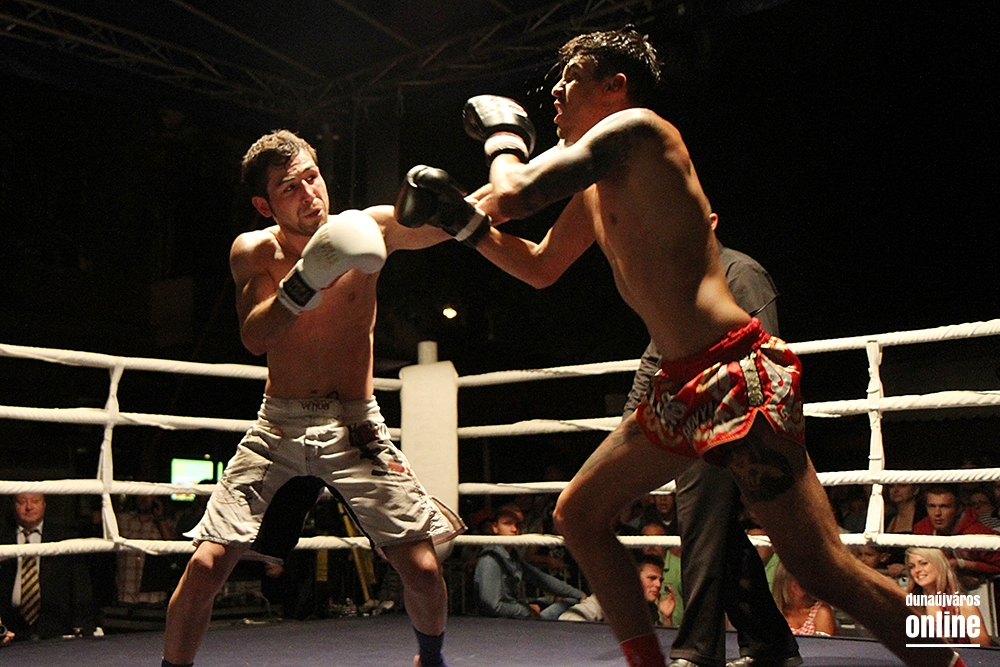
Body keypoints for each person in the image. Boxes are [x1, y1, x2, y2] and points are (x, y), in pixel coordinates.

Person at [408, 25, 965, 667]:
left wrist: (505, 139)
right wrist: (458, 221)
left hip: (733, 371)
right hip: (675, 391)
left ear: (615, 87)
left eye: (571, 79)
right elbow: (538, 264)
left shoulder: (640, 131)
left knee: (823, 567)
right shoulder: (593, 184)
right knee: (579, 515)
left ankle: (951, 657)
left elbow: (513, 191)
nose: (555, 92)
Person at [160, 130, 465, 667]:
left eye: (312, 177)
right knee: (206, 566)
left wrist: (491, 182)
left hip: (355, 423)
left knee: (421, 567)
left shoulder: (370, 228)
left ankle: (431, 661)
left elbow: (467, 222)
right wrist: (306, 281)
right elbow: (255, 336)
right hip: (279, 425)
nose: (309, 193)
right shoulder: (255, 251)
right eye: (289, 187)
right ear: (265, 205)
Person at [620, 228, 800, 667]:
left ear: (709, 222)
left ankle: (698, 651)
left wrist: (754, 433)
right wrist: (628, 423)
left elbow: (766, 351)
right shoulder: (680, 284)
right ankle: (771, 645)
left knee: (703, 530)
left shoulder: (741, 273)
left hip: (731, 422)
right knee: (719, 538)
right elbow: (653, 357)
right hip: (692, 423)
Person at [0, 493, 95, 644]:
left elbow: (80, 585)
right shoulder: (2, 537)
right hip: (9, 630)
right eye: (22, 502)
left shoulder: (64, 537)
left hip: (57, 629)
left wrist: (83, 625)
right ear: (14, 506)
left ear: (44, 505)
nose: (29, 507)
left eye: (35, 501)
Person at [473, 506, 586, 619]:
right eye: (507, 524)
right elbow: (493, 606)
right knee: (570, 602)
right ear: (495, 527)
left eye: (518, 525)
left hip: (512, 612)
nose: (514, 529)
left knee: (568, 599)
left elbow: (541, 579)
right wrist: (526, 612)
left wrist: (579, 595)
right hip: (501, 621)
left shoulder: (512, 556)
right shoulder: (490, 559)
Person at [914, 484, 1000, 588]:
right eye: (932, 506)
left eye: (944, 506)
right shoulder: (922, 529)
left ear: (959, 509)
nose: (937, 513)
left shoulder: (978, 534)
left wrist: (964, 564)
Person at [905, 548, 991, 647]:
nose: (917, 570)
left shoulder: (963, 606)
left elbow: (982, 649)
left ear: (939, 565)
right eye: (912, 567)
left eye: (924, 563)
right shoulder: (906, 603)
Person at [560, 555, 674, 626]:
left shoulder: (651, 609)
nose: (658, 585)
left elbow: (661, 643)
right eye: (652, 578)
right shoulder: (609, 598)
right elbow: (567, 618)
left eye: (660, 580)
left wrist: (666, 618)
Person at [116, 495, 179, 605]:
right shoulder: (122, 520)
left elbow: (174, 548)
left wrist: (160, 518)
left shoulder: (166, 524)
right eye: (141, 494)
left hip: (155, 597)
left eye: (149, 495)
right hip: (125, 593)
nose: (144, 498)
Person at [771, 562, 837, 637]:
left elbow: (822, 644)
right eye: (792, 577)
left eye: (803, 578)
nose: (798, 583)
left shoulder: (821, 612)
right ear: (782, 581)